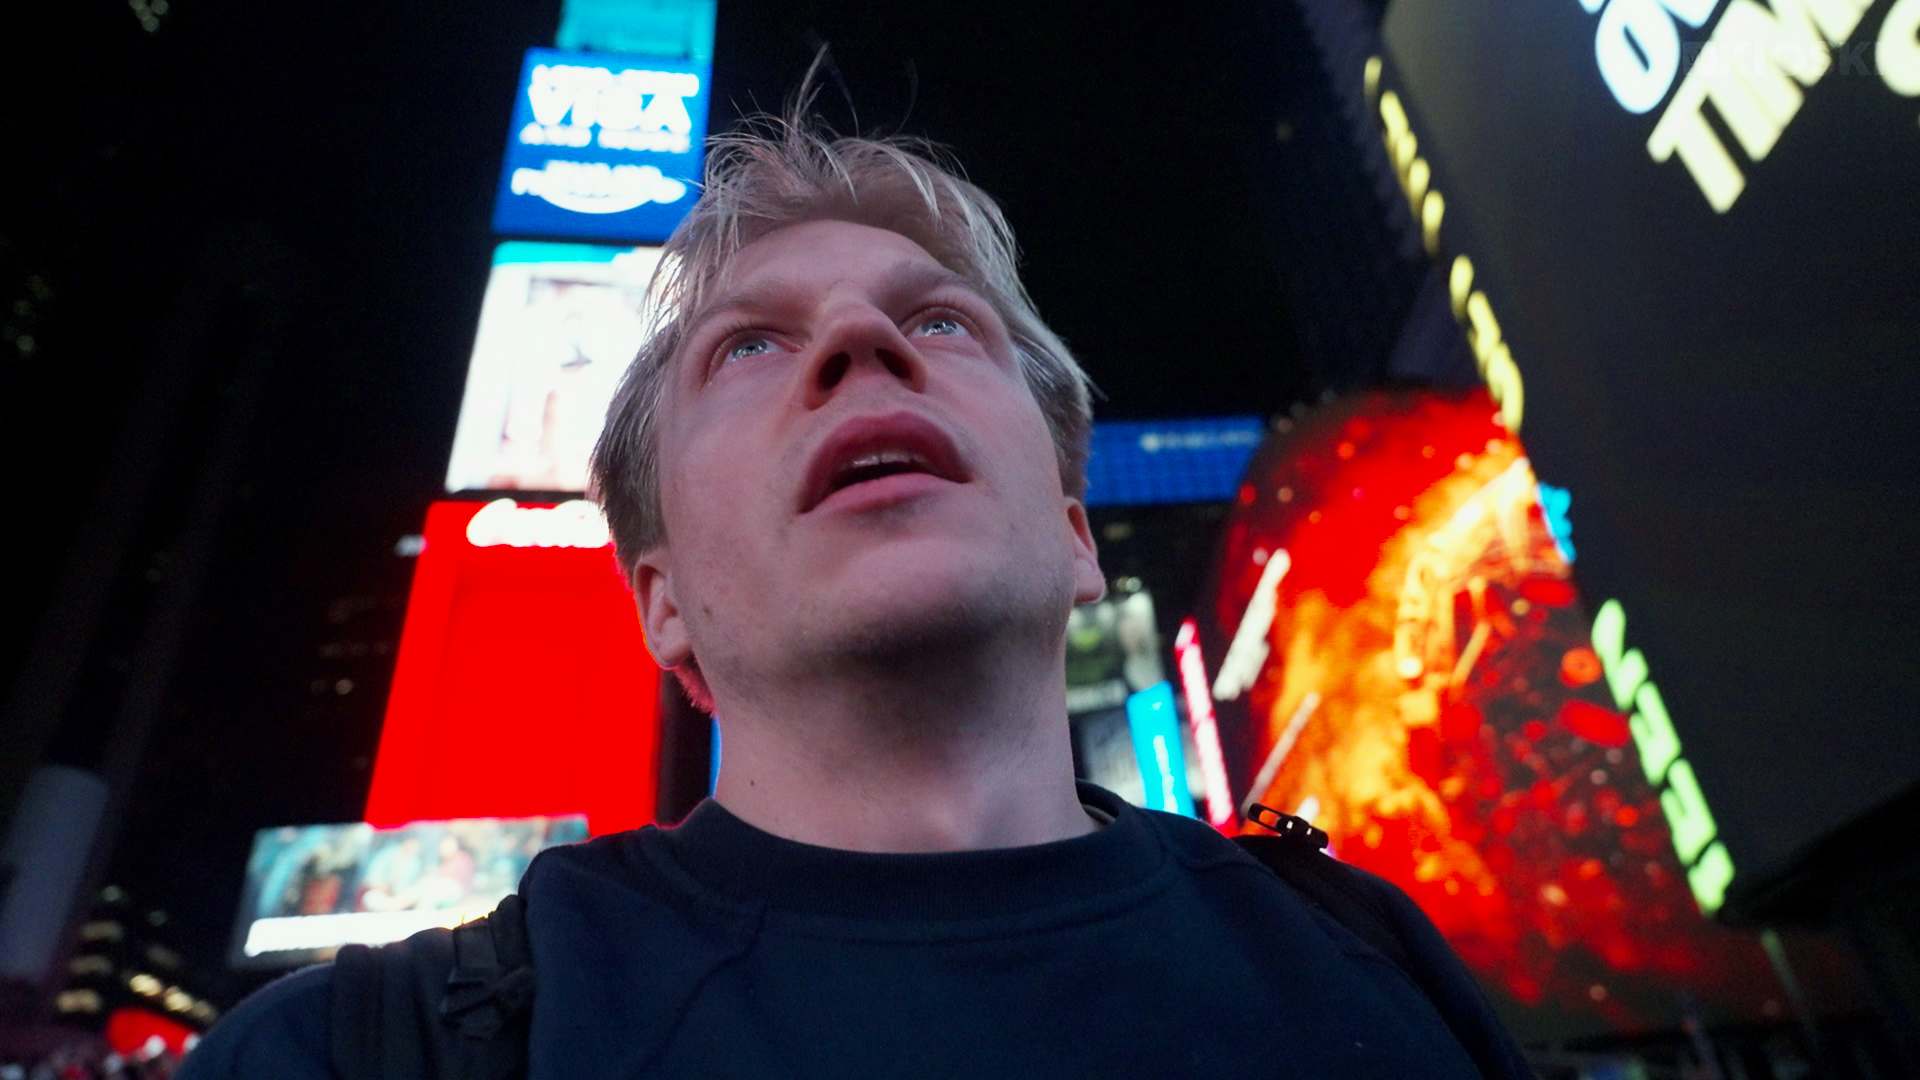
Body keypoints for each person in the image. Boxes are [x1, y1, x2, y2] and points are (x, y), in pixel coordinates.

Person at [180, 84, 1533, 1079]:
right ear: (661, 602)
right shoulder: (368, 1051)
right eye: (748, 347)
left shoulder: (1373, 954)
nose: (861, 341)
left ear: (1076, 535)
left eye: (940, 319)